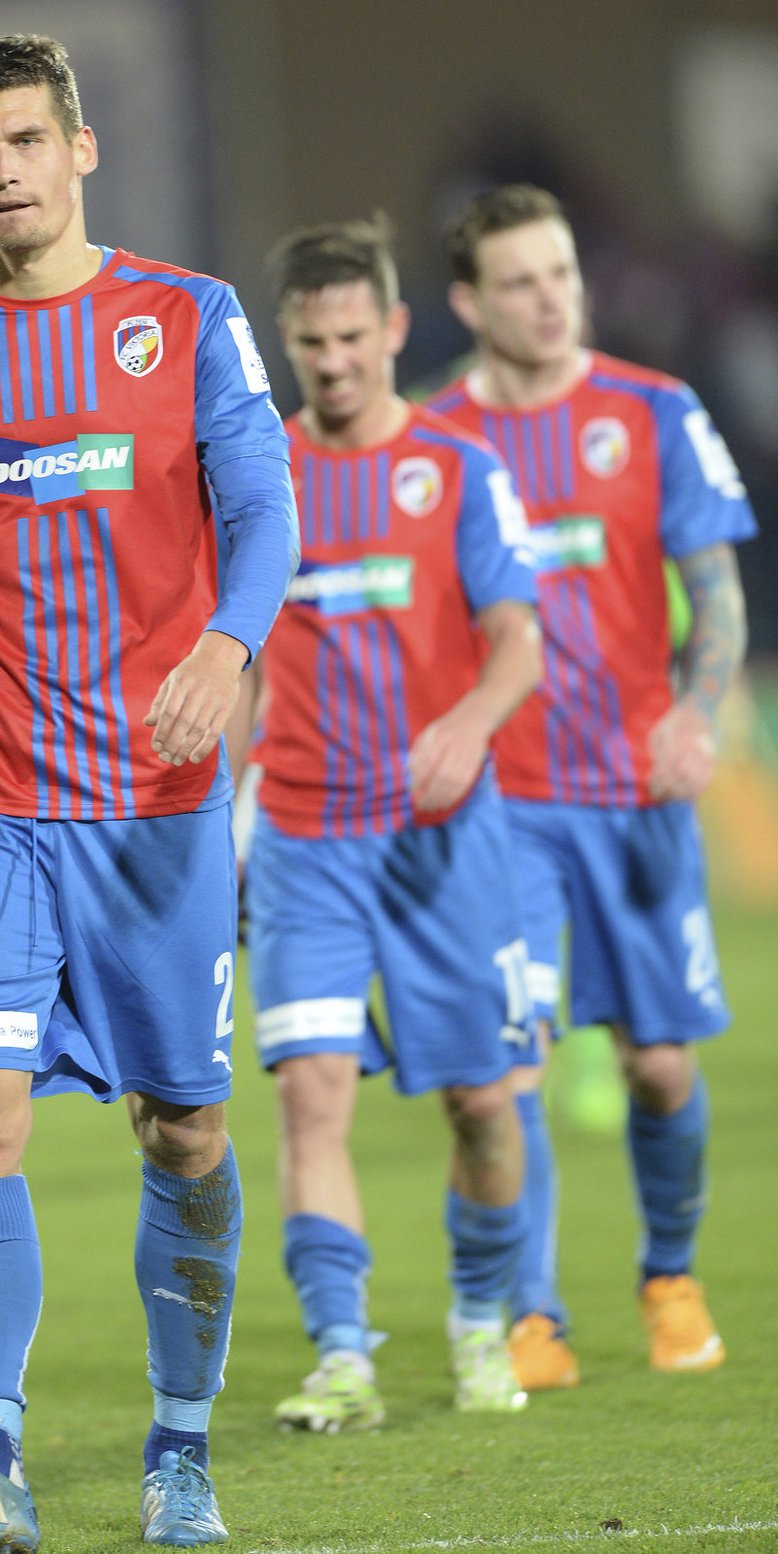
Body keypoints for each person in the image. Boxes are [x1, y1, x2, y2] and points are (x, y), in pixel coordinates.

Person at [0, 34, 298, 1553]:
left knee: (184, 1130)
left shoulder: (190, 320)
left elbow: (264, 514)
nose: (2, 171)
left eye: (26, 142)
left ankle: (179, 1453)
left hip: (156, 807)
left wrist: (229, 645)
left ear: (80, 151)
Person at [429, 184, 757, 1391]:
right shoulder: (438, 440)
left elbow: (715, 592)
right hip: (500, 809)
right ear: (469, 301)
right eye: (520, 281)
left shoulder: (655, 411)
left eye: (562, 271)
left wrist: (696, 705)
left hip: (634, 795)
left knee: (659, 1066)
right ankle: (532, 1314)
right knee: (507, 1075)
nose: (551, 297)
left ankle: (669, 1275)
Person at [228, 217, 543, 1429]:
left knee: (480, 1101)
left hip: (446, 839)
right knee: (311, 1095)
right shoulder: (258, 477)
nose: (338, 361)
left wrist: (468, 723)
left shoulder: (460, 469)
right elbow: (243, 653)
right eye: (314, 343)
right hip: (310, 843)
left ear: (397, 329)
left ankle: (477, 1323)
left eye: (356, 337)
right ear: (289, 344)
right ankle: (345, 1354)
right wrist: (226, 792)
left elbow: (517, 634)